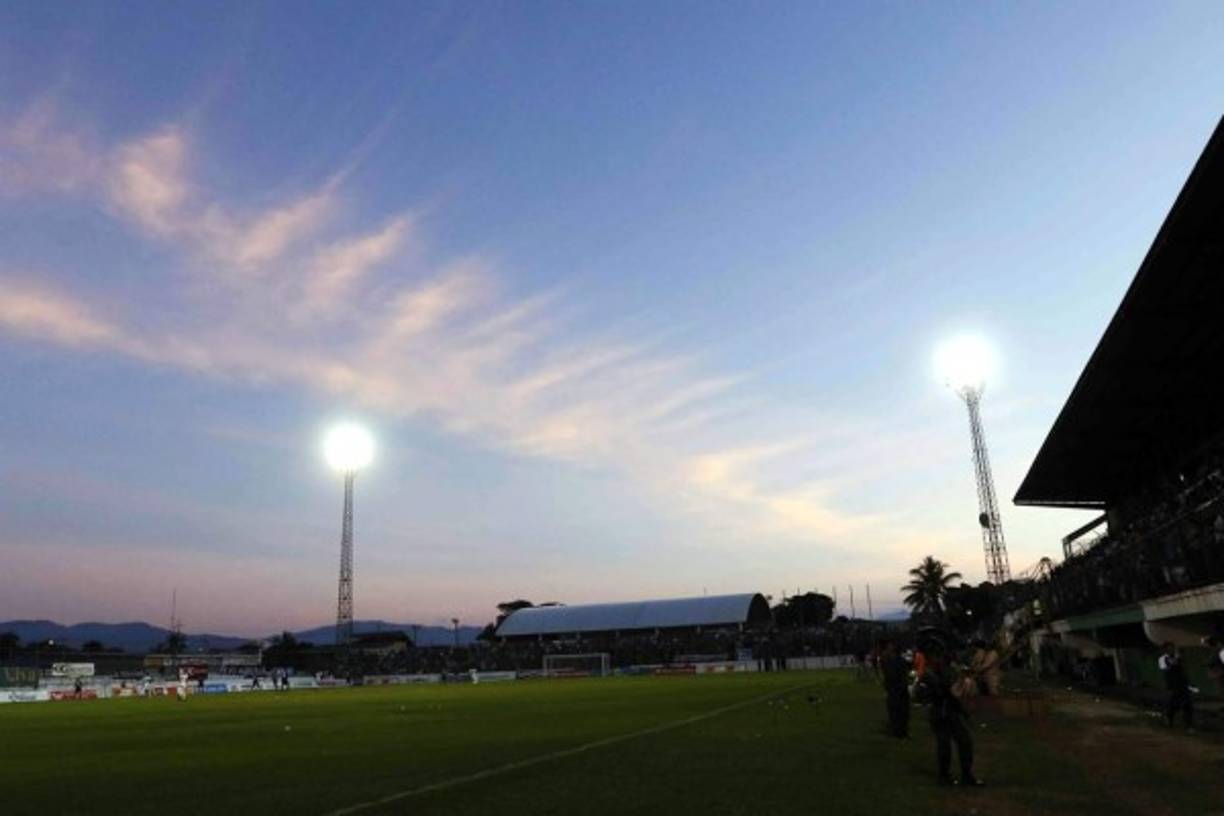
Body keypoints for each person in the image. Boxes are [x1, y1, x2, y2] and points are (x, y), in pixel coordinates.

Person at [914, 647, 982, 787]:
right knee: (944, 745)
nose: (939, 659)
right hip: (939, 714)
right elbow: (921, 695)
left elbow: (956, 690)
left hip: (952, 711)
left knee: (965, 741)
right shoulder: (928, 675)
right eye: (936, 656)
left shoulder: (948, 671)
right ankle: (944, 776)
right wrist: (939, 692)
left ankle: (966, 776)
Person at [879, 639, 910, 739]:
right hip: (898, 688)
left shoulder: (893, 660)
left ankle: (899, 731)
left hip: (896, 688)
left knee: (898, 711)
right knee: (899, 711)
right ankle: (900, 731)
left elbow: (891, 675)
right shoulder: (890, 660)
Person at [1158, 642, 1193, 730]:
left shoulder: (1178, 657)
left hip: (1182, 683)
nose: (1171, 650)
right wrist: (1175, 661)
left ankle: (1188, 724)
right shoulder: (1162, 659)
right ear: (1165, 649)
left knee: (1187, 704)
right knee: (1173, 703)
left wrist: (1188, 681)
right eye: (1169, 648)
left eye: (1172, 648)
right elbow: (1165, 669)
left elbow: (1184, 668)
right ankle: (1169, 719)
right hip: (1172, 684)